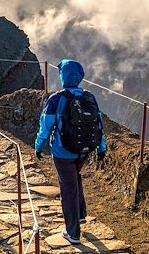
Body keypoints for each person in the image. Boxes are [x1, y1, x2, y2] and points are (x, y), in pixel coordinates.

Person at [34, 59, 107, 245]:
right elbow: (98, 124)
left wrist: (38, 147)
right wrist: (101, 147)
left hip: (62, 152)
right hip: (84, 151)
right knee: (75, 178)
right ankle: (81, 214)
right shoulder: (90, 97)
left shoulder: (56, 99)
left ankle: (72, 232)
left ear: (63, 77)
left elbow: (46, 127)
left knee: (68, 187)